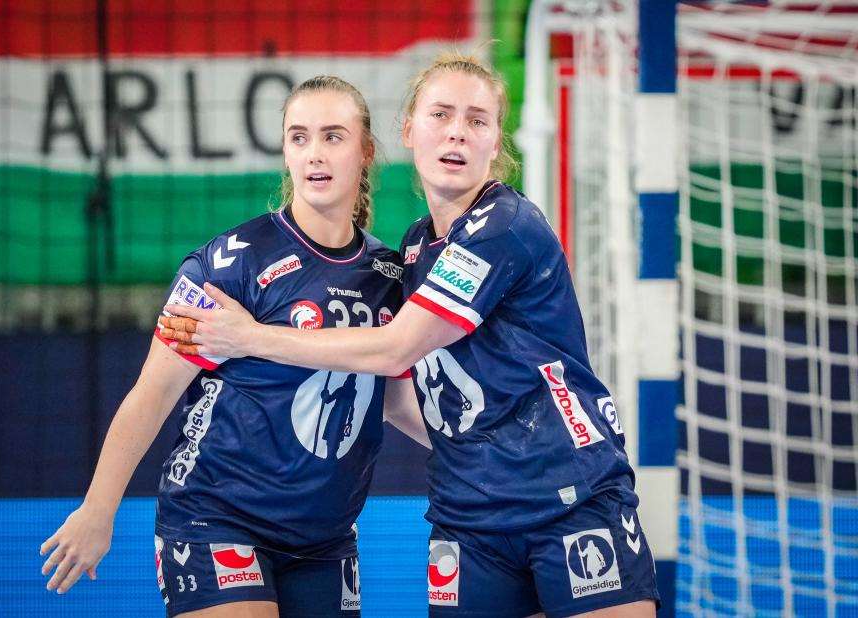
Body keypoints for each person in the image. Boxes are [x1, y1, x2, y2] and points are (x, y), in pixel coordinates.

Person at [160, 53, 660, 617]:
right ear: (408, 132)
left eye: (476, 120)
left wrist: (249, 337)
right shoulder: (414, 249)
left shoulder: (506, 224)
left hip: (569, 497)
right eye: (441, 115)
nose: (457, 132)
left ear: (496, 142)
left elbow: (395, 347)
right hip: (470, 516)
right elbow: (400, 395)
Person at [40, 75, 427, 618]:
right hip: (216, 517)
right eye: (299, 137)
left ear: (365, 151)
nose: (314, 153)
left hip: (325, 537)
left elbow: (393, 399)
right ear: (286, 152)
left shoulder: (388, 276)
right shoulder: (228, 264)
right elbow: (152, 394)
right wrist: (98, 510)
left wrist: (487, 455)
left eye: (333, 136)